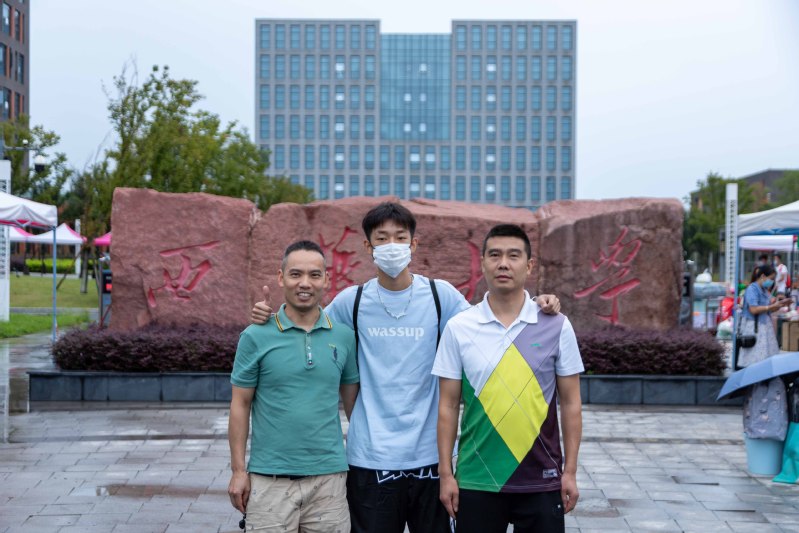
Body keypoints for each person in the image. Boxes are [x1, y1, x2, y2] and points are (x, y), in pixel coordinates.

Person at [251, 202, 561, 533]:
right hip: (370, 459)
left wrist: (536, 305)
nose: (392, 246)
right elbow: (307, 326)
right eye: (382, 238)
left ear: (414, 245)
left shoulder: (440, 296)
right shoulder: (352, 302)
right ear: (368, 246)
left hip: (431, 459)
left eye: (400, 238)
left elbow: (489, 322)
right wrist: (269, 318)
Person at [433, 224, 583, 533]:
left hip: (542, 476)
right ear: (483, 263)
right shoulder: (459, 327)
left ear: (529, 266)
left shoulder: (557, 325)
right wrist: (446, 474)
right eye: (495, 255)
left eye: (513, 256)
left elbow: (571, 403)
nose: (503, 263)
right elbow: (447, 406)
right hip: (477, 477)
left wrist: (569, 472)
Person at [228, 240, 359, 532]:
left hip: (329, 481)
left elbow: (354, 408)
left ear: (326, 279)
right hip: (269, 480)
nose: (305, 283)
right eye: (295, 274)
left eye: (314, 275)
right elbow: (240, 404)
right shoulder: (255, 336)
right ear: (281, 277)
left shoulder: (344, 337)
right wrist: (238, 470)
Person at [738, 264, 784, 368]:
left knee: (766, 358)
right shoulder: (752, 289)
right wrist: (770, 307)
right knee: (756, 359)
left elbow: (769, 308)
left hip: (765, 327)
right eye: (771, 278)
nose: (772, 281)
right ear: (763, 276)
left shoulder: (764, 290)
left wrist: (779, 305)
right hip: (755, 328)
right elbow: (753, 309)